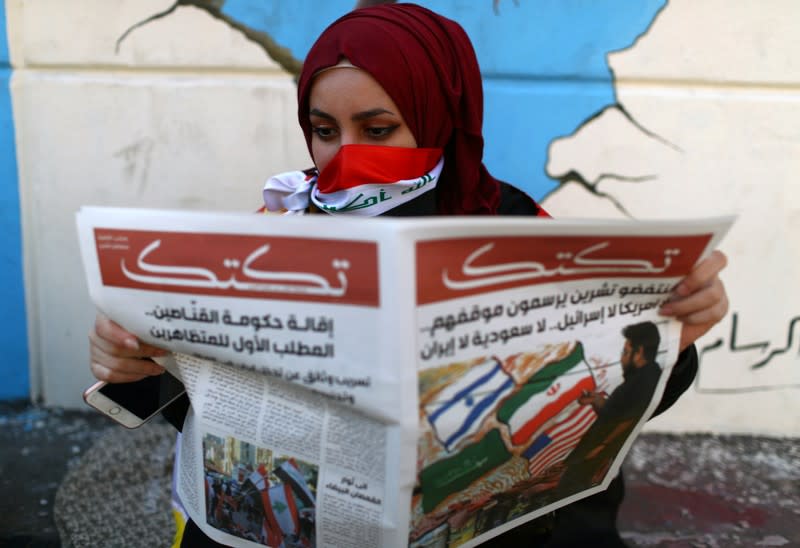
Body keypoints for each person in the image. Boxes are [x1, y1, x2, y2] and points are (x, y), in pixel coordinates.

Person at [88, 4, 729, 546]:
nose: (345, 159)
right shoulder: (274, 231)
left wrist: (679, 335)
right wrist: (129, 366)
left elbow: (615, 409)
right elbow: (205, 410)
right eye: (323, 131)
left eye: (378, 128)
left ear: (439, 116)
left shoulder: (519, 227)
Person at [554, 322, 665, 503]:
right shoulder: (640, 378)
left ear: (638, 353)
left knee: (571, 497)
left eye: (625, 352)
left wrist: (599, 449)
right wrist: (597, 401)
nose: (621, 359)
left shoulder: (646, 380)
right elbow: (618, 413)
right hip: (593, 457)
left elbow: (628, 420)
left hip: (594, 461)